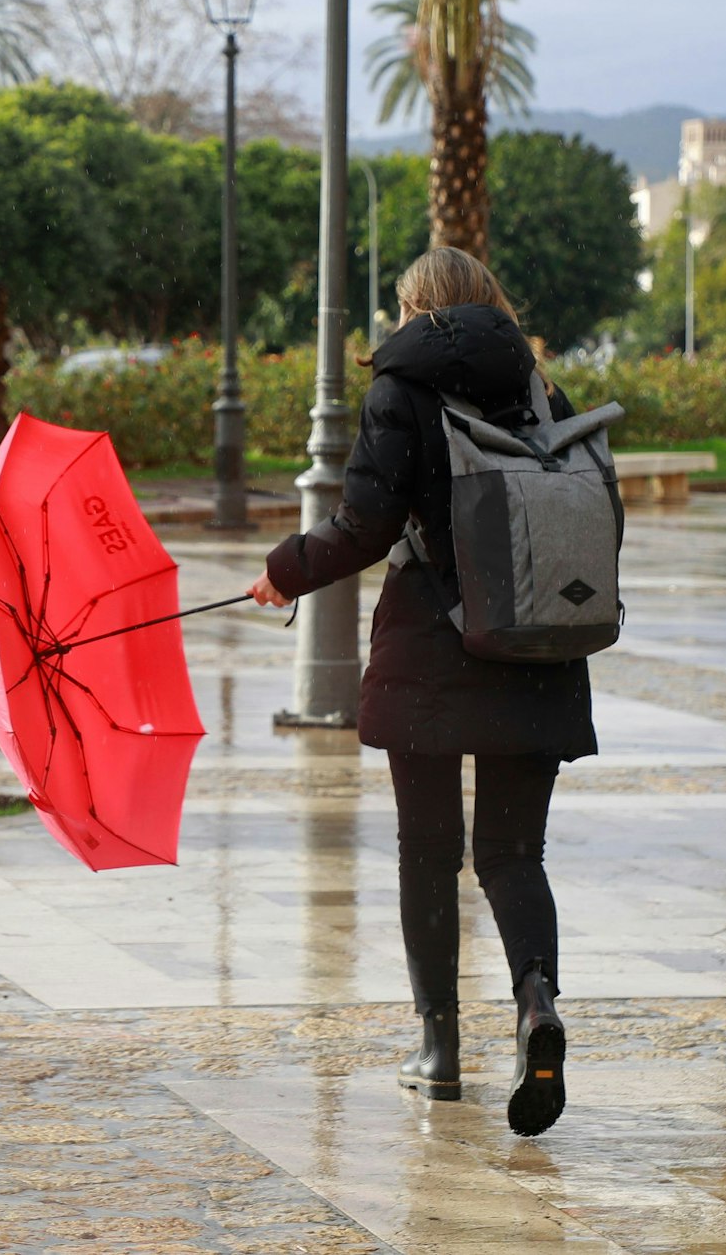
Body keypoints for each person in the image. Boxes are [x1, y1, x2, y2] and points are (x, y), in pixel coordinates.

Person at [248, 247, 593, 1138]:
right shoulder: (542, 388)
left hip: (431, 651)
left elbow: (363, 523)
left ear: (414, 310)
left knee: (427, 852)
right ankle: (534, 1006)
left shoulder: (400, 389)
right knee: (515, 854)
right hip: (540, 645)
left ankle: (438, 1051)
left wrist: (284, 572)